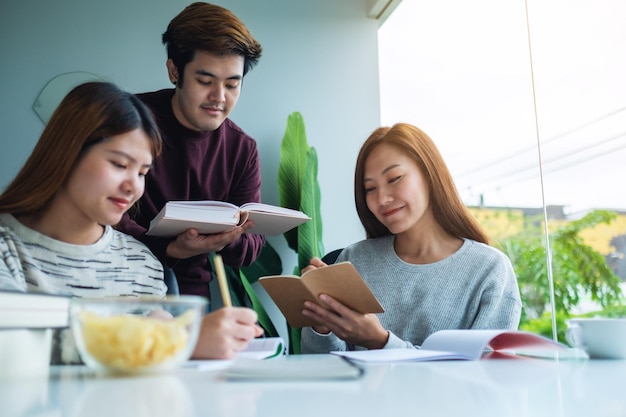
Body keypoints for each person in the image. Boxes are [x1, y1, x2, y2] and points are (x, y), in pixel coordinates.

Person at [0, 82, 262, 363]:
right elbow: (14, 347)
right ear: (67, 152)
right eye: (120, 165)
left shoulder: (142, 265)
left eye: (142, 172)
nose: (133, 187)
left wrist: (172, 340)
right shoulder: (8, 250)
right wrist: (175, 341)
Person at [300, 123, 522, 353]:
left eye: (394, 178)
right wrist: (321, 326)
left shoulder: (489, 269)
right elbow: (321, 370)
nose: (382, 198)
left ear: (429, 174)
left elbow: (489, 374)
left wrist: (381, 342)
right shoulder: (354, 260)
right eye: (370, 188)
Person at [116, 2, 265, 299]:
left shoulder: (242, 148)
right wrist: (171, 248)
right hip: (118, 278)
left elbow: (252, 246)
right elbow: (100, 212)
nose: (219, 98)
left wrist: (224, 237)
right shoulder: (128, 119)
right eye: (205, 81)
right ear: (174, 71)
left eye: (232, 85)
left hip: (190, 296)